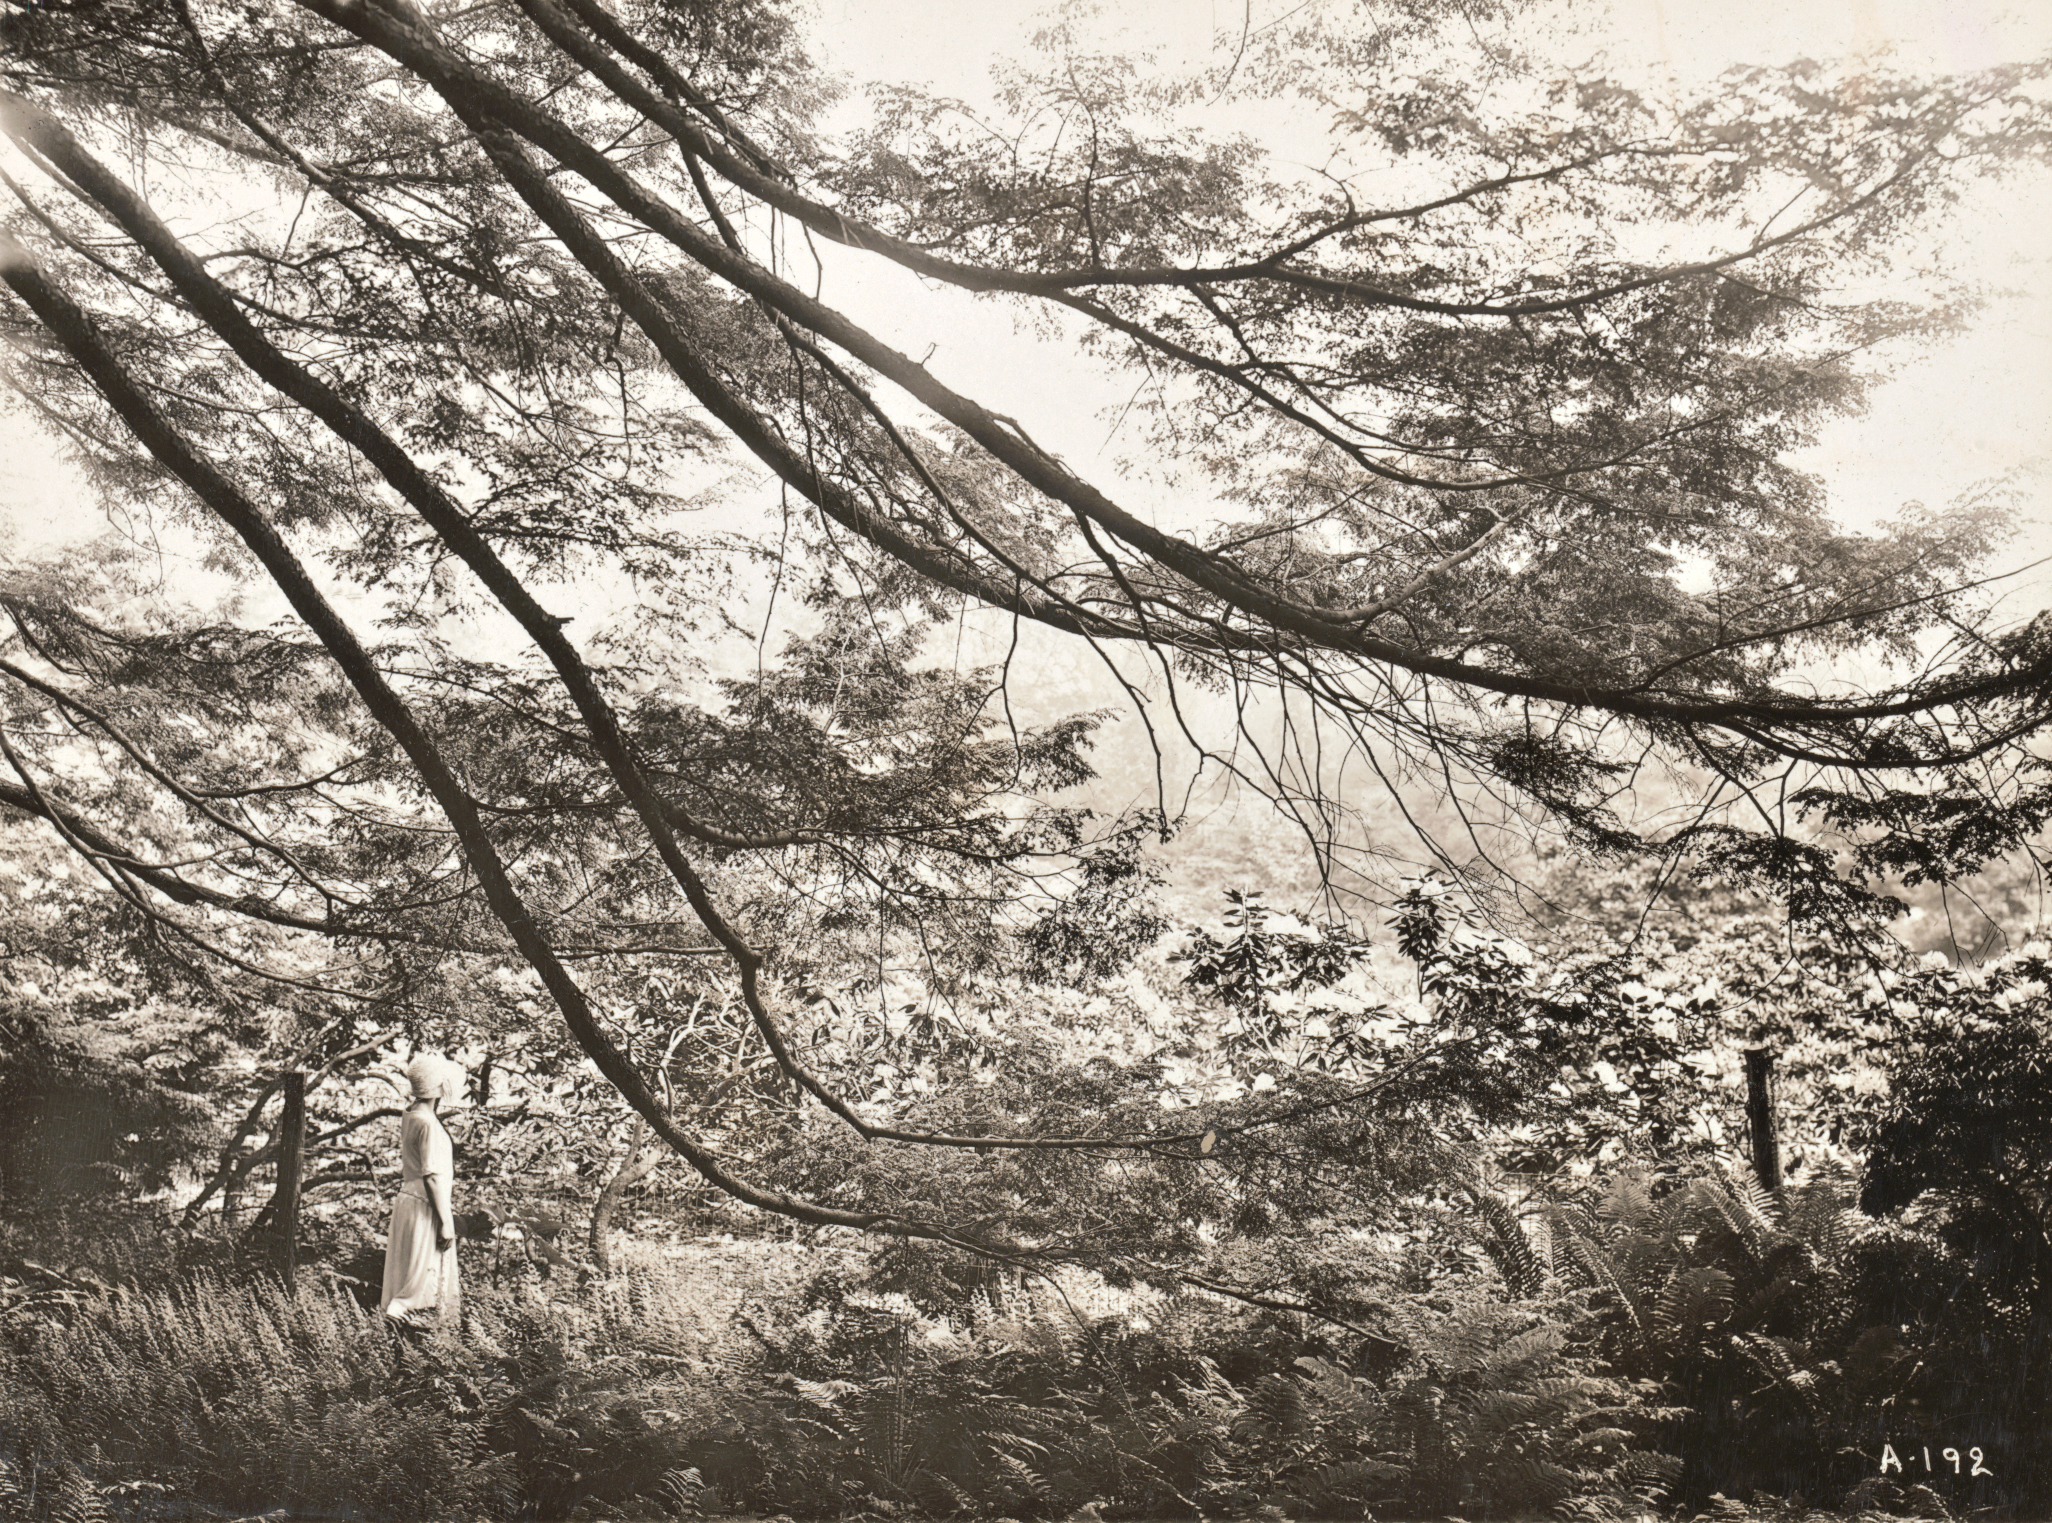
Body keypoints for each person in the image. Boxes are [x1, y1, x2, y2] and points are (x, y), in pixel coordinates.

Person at [380, 1052, 465, 1325]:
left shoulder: (411, 1114)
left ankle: (404, 1354)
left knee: (410, 1278)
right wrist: (445, 1222)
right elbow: (431, 1176)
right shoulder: (427, 1122)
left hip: (409, 1199)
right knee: (419, 1286)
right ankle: (406, 1344)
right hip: (425, 1204)